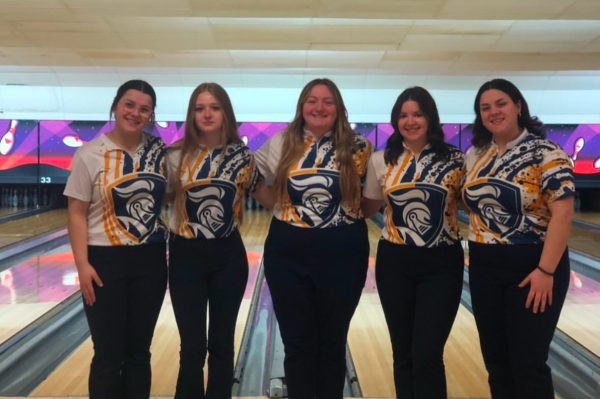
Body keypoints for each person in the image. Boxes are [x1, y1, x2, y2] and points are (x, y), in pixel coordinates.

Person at [254, 78, 372, 399]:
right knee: (298, 344)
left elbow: (372, 199)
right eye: (312, 100)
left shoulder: (359, 146)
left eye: (328, 101)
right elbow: (249, 177)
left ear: (339, 108)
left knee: (332, 343)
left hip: (344, 253)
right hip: (288, 252)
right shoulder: (280, 142)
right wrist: (276, 204)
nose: (319, 107)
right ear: (301, 106)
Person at [463, 78, 575, 399]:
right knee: (497, 364)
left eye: (501, 104)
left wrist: (546, 272)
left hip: (534, 266)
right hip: (485, 268)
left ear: (518, 106)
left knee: (527, 363)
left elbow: (563, 214)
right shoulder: (475, 155)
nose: (493, 112)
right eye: (485, 108)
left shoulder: (546, 153)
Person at [64, 79, 168, 399]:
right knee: (108, 353)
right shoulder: (89, 154)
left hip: (149, 261)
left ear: (151, 115)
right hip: (103, 261)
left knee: (140, 352)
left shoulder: (161, 153)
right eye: (129, 105)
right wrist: (82, 265)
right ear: (116, 105)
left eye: (144, 109)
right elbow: (77, 213)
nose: (135, 113)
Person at [362, 87, 465, 399]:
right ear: (395, 121)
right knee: (402, 352)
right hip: (396, 262)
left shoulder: (456, 160)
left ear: (430, 117)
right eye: (403, 115)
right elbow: (368, 208)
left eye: (417, 114)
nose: (410, 121)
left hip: (442, 262)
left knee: (428, 353)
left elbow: (469, 203)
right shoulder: (380, 161)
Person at [165, 82, 264, 399]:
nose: (207, 114)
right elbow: (158, 196)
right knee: (192, 347)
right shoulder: (175, 156)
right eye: (199, 108)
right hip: (185, 254)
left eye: (214, 107)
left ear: (226, 113)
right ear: (192, 114)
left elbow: (270, 197)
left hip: (227, 257)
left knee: (222, 343)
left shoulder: (242, 157)